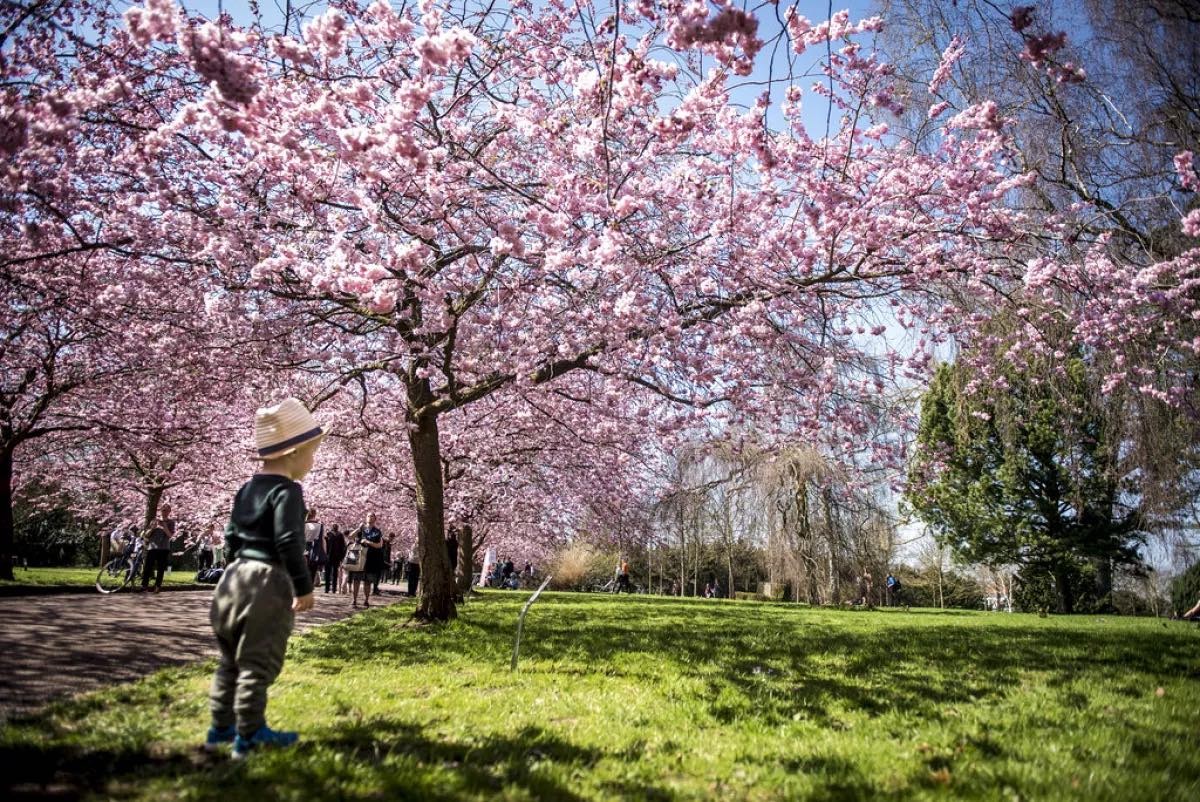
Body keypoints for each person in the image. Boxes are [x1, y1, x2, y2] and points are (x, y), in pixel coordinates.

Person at [204, 396, 322, 759]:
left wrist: (232, 567)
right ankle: (250, 735)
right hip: (265, 582)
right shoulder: (288, 491)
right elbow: (289, 540)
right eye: (311, 453)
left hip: (233, 579)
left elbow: (228, 537)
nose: (312, 461)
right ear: (294, 453)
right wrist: (303, 587)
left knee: (229, 661)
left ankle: (220, 728)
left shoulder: (246, 489)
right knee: (257, 662)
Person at [349, 513, 384, 607]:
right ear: (366, 518)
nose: (370, 517)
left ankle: (366, 600)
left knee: (367, 581)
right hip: (359, 557)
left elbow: (380, 545)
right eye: (368, 516)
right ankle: (354, 600)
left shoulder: (377, 531)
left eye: (372, 516)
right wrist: (358, 528)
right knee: (356, 579)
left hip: (371, 558)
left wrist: (368, 542)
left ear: (375, 519)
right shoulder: (361, 529)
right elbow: (350, 537)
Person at [140, 503, 175, 593]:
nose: (164, 512)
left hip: (164, 548)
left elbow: (170, 535)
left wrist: (164, 526)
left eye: (167, 510)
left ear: (169, 512)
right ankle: (144, 586)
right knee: (148, 567)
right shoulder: (154, 520)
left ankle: (157, 586)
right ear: (160, 511)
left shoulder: (171, 522)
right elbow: (146, 535)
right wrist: (152, 528)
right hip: (152, 547)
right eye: (163, 510)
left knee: (161, 568)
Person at [304, 508, 326, 587]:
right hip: (316, 550)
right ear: (315, 514)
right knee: (313, 571)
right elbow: (323, 540)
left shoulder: (303, 525)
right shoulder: (320, 526)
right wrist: (324, 552)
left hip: (305, 548)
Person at [323, 523, 346, 594]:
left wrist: (342, 557)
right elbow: (324, 545)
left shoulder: (340, 535)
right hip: (328, 556)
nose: (335, 527)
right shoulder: (328, 534)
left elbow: (343, 546)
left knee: (335, 573)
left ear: (338, 527)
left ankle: (334, 588)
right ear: (332, 527)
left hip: (337, 557)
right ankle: (327, 588)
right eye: (334, 526)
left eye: (336, 526)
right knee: (327, 573)